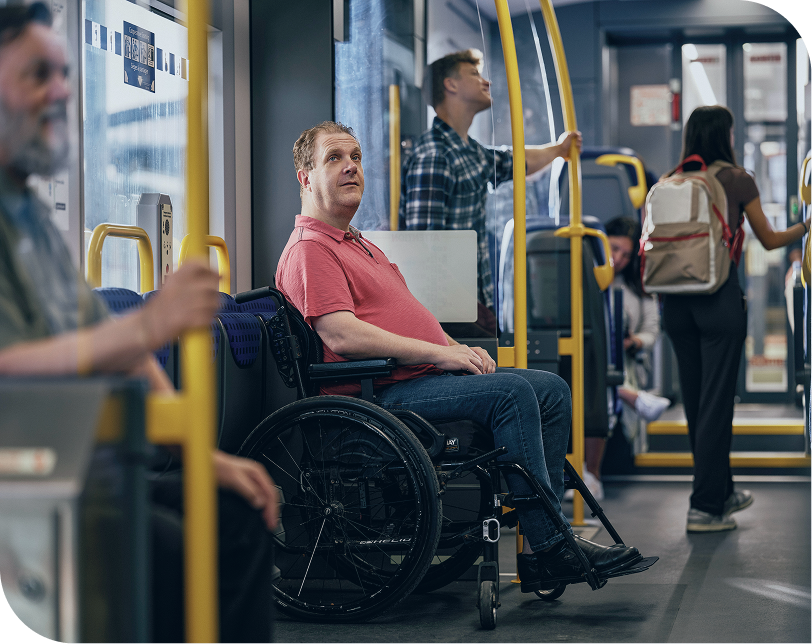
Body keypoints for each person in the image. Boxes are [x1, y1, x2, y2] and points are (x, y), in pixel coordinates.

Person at [0, 5, 276, 641]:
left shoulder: (30, 218)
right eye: (38, 73)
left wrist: (202, 456)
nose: (62, 91)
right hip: (26, 481)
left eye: (65, 74)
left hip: (75, 462)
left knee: (235, 514)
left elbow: (115, 345)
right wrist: (149, 324)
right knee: (168, 554)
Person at [277, 120, 644, 593]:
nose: (352, 167)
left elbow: (401, 317)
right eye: (334, 158)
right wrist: (440, 353)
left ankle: (539, 551)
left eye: (356, 157)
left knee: (550, 390)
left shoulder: (356, 243)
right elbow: (342, 335)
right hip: (377, 396)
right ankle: (553, 546)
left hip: (411, 379)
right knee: (511, 394)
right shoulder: (312, 249)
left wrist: (454, 347)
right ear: (305, 177)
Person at [661, 105, 812, 533]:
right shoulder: (737, 179)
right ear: (724, 135)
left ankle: (722, 493)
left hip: (674, 304)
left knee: (697, 403)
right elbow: (768, 239)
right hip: (716, 300)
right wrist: (807, 227)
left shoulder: (671, 179)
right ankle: (705, 507)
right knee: (717, 404)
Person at [400, 49, 581, 327]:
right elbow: (424, 249)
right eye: (474, 74)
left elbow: (516, 161)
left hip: (472, 302)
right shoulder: (434, 155)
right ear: (451, 85)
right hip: (446, 313)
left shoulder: (469, 150)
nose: (487, 82)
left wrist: (559, 149)